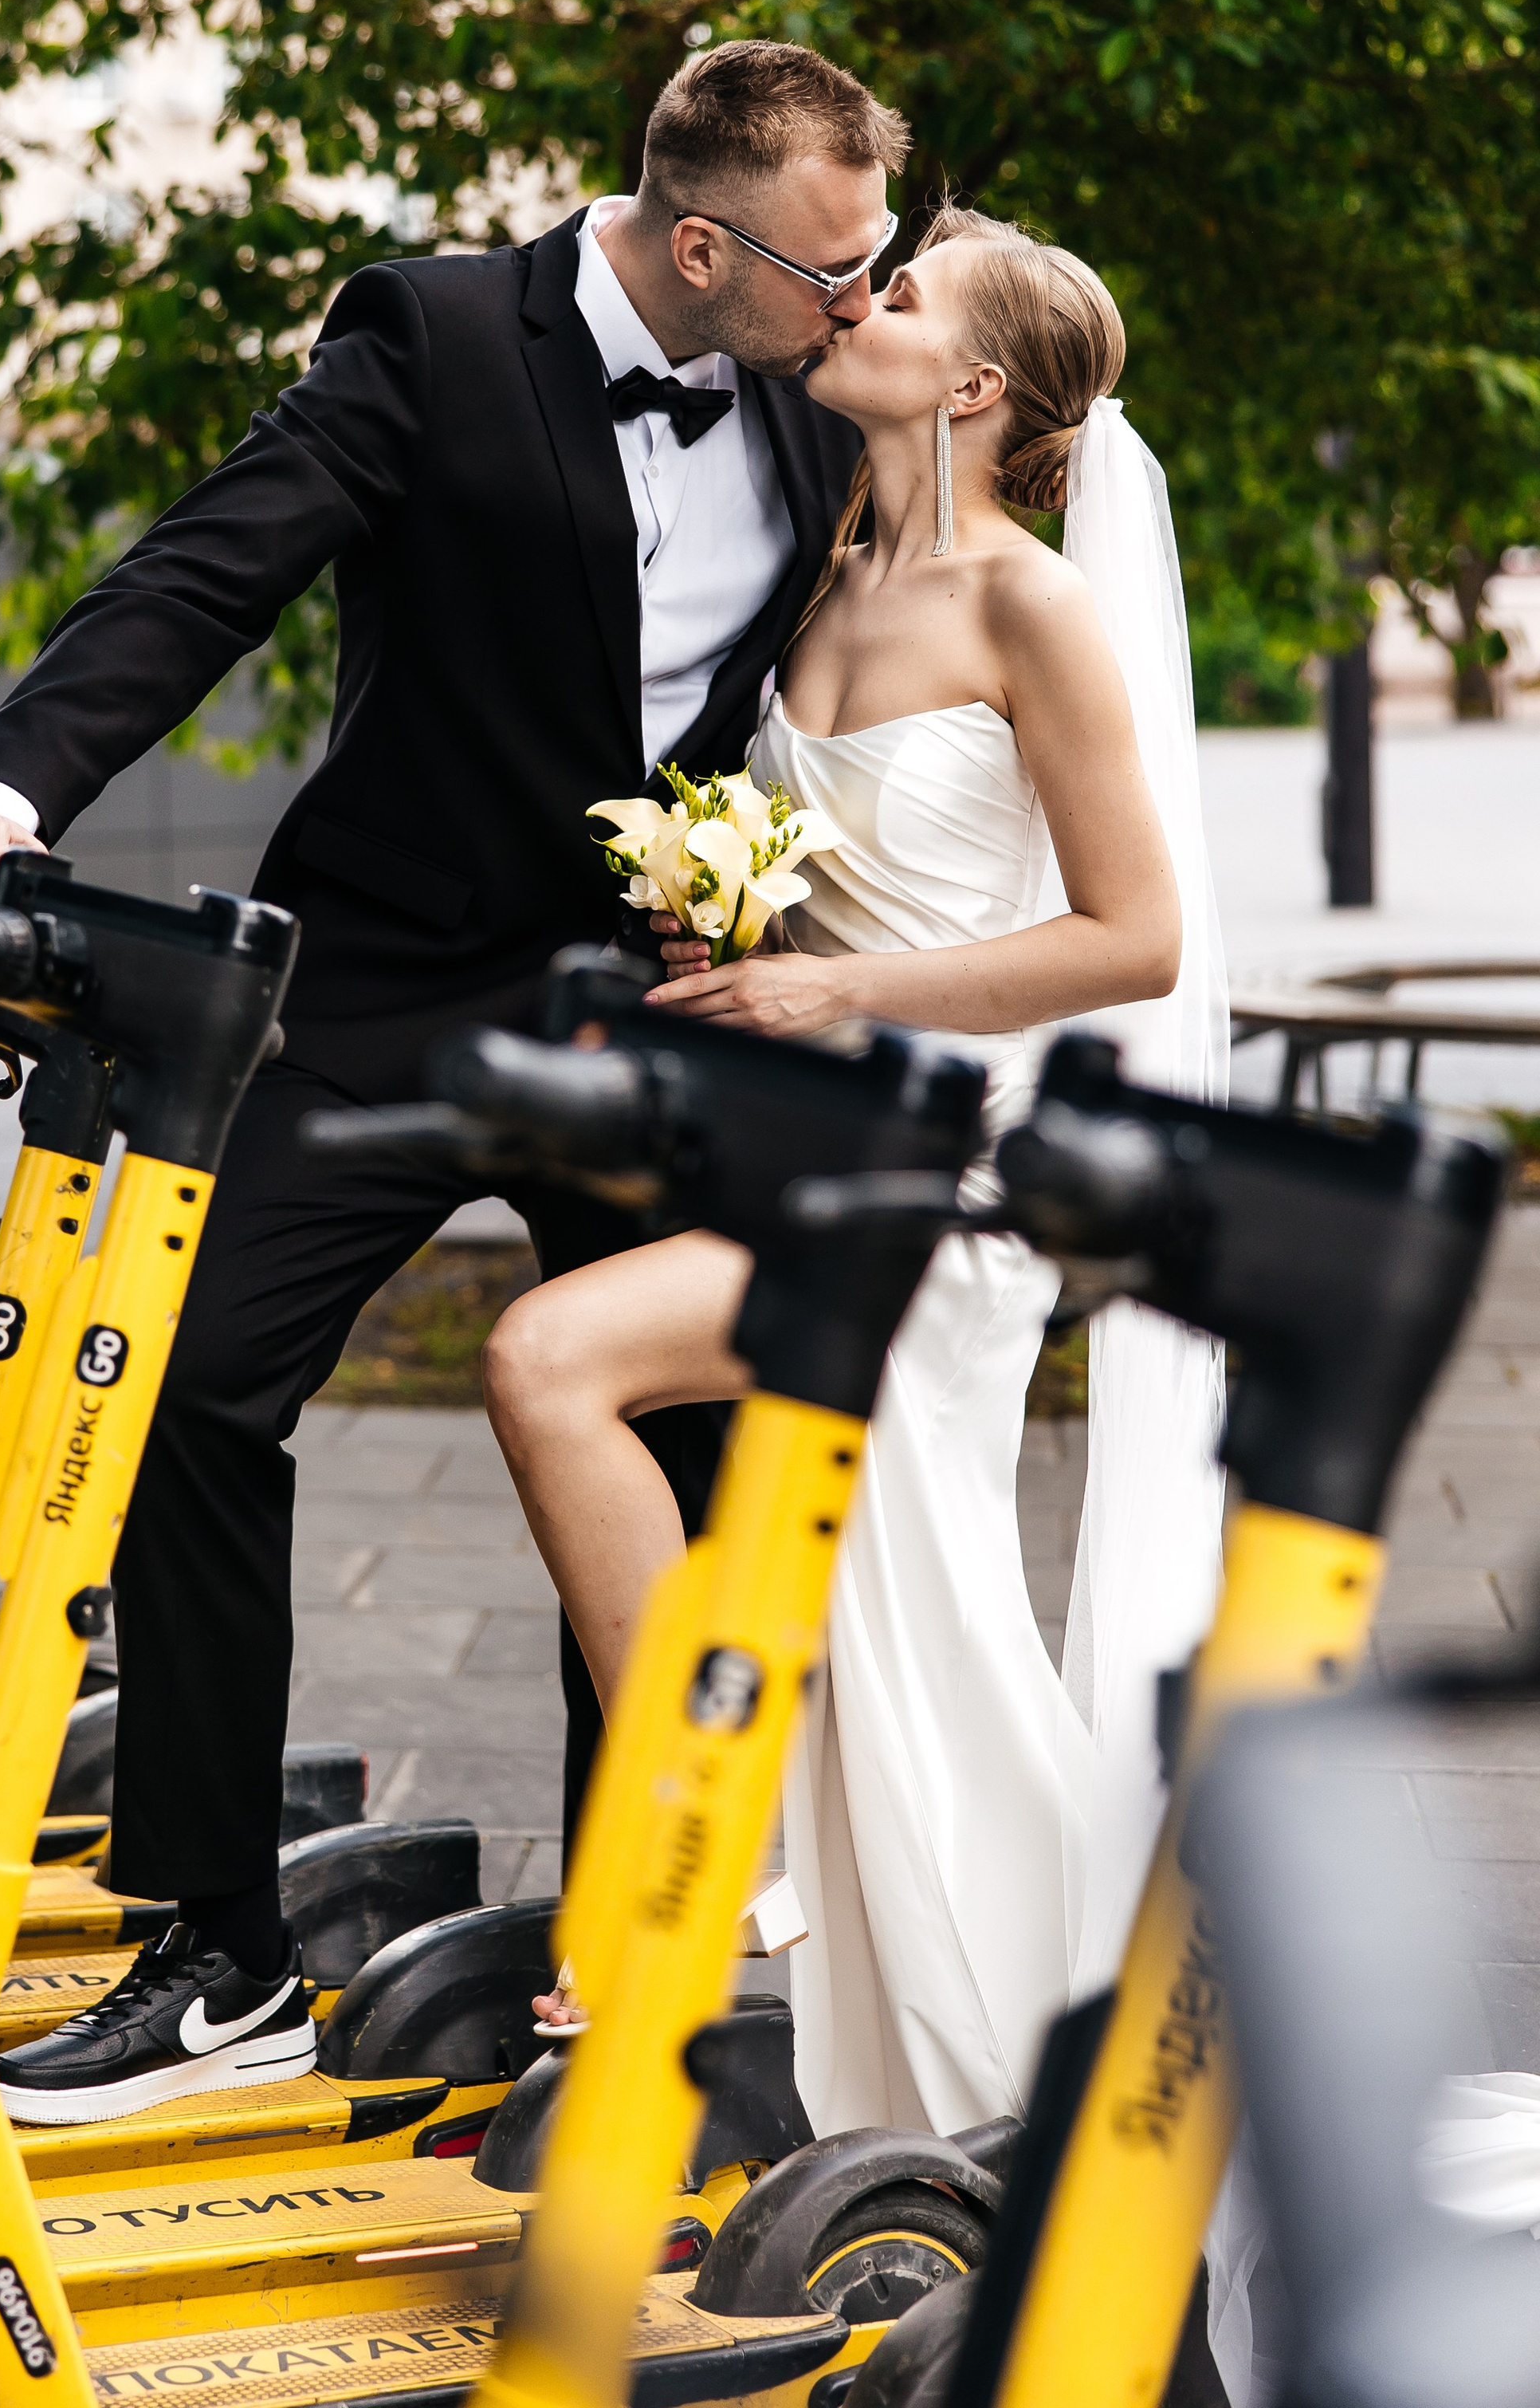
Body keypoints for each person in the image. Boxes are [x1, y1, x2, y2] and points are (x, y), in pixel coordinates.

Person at [0, 39, 908, 2123]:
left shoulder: (830, 381)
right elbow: (205, 571)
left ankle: (627, 1977)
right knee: (183, 1378)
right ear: (698, 241)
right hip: (383, 985)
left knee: (661, 1459)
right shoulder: (433, 335)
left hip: (654, 1009)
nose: (870, 295)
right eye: (832, 265)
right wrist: (10, 778)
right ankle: (219, 1951)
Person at [481, 204, 1229, 2147]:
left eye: (895, 293)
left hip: (940, 1179)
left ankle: (704, 1833)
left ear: (973, 384)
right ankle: (1036, 2079)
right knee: (903, 1629)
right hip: (804, 1154)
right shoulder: (825, 571)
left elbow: (1133, 937)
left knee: (567, 1369)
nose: (853, 302)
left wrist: (840, 985)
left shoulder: (1024, 606)